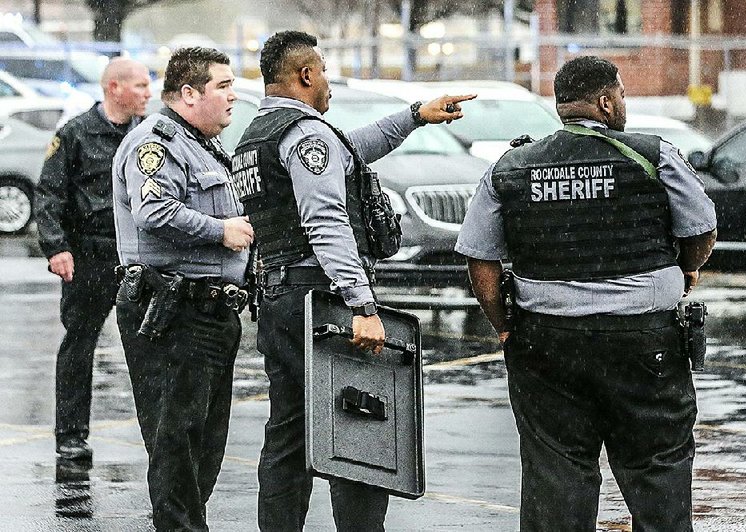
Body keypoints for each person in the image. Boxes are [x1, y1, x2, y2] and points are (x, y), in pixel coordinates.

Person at [456, 55, 717, 531]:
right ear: (605, 101)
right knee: (657, 472)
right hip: (644, 344)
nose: (623, 105)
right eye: (621, 95)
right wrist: (685, 269)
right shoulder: (652, 153)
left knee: (557, 477)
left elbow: (481, 260)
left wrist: (503, 327)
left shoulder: (512, 167)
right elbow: (702, 229)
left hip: (547, 345)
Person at [232, 30, 474, 531]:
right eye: (321, 71)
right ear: (305, 75)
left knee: (290, 433)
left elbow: (353, 148)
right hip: (321, 298)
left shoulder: (258, 137)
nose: (327, 82)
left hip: (280, 297)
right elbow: (326, 223)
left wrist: (413, 116)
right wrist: (362, 307)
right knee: (358, 423)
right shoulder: (306, 135)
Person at [111, 47, 253, 531]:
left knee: (205, 443)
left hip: (210, 312)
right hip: (172, 309)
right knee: (176, 440)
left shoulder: (204, 145)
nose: (234, 95)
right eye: (223, 85)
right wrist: (220, 231)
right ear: (189, 94)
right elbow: (152, 213)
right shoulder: (157, 142)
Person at [34, 57, 151, 461]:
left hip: (137, 257)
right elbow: (48, 195)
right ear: (113, 88)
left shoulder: (148, 134)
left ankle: (160, 437)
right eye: (139, 86)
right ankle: (70, 435)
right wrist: (56, 247)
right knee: (79, 345)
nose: (148, 93)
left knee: (151, 346)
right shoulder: (76, 134)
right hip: (89, 256)